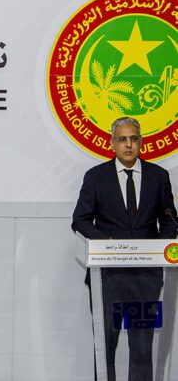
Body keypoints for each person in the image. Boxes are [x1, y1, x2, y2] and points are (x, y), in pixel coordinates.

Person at [72, 117, 177, 380]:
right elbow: (80, 220)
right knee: (105, 347)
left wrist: (156, 249)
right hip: (108, 279)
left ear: (141, 142)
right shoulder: (96, 177)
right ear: (112, 143)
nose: (128, 145)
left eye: (133, 139)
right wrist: (108, 243)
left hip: (146, 279)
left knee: (142, 348)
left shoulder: (158, 176)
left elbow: (169, 220)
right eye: (122, 139)